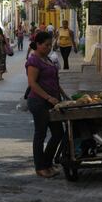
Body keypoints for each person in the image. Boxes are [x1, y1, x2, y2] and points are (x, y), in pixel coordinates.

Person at [26, 31, 69, 178]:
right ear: (37, 44)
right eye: (46, 45)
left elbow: (53, 80)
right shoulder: (34, 60)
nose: (49, 48)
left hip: (53, 101)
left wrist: (63, 94)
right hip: (39, 102)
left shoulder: (47, 59)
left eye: (50, 45)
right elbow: (32, 84)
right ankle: (40, 167)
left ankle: (47, 162)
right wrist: (48, 97)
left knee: (58, 133)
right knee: (40, 134)